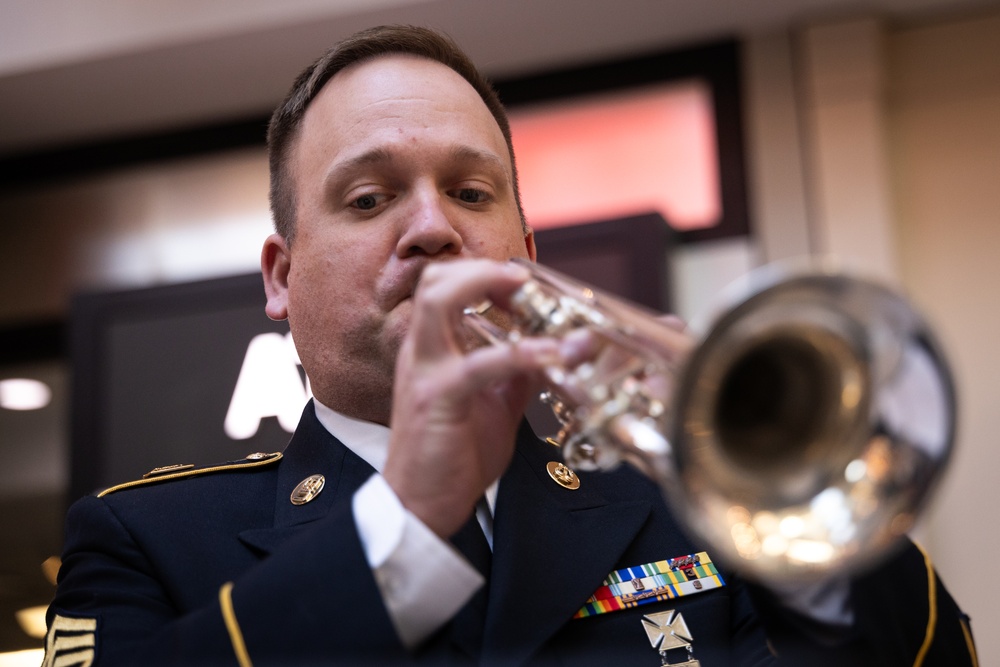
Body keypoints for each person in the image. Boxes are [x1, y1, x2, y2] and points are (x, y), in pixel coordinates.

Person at [44, 25, 976, 666]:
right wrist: (401, 532)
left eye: (473, 193)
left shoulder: (701, 515)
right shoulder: (143, 540)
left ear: (527, 259)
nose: (432, 228)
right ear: (281, 277)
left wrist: (773, 481)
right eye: (368, 198)